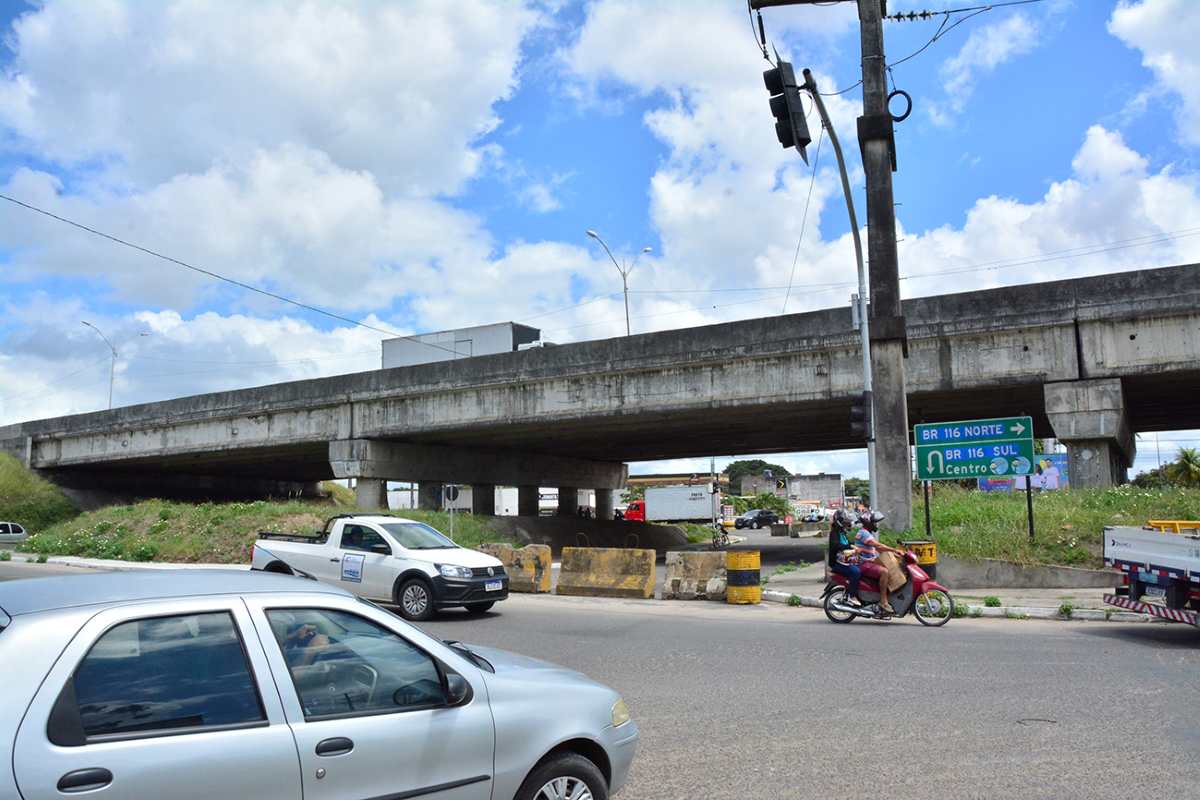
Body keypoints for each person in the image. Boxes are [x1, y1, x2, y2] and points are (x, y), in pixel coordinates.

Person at [854, 511, 905, 615]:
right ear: (868, 523)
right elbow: (879, 546)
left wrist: (894, 554)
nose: (876, 525)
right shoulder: (863, 533)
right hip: (863, 564)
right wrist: (894, 550)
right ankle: (883, 602)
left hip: (871, 561)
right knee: (884, 572)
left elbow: (878, 549)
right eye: (874, 522)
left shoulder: (867, 533)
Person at [827, 509, 862, 607]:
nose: (847, 524)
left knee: (861, 568)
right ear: (839, 521)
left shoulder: (842, 532)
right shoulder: (834, 533)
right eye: (845, 522)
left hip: (844, 561)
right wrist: (850, 547)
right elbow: (836, 546)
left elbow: (846, 544)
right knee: (856, 572)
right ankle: (852, 596)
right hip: (837, 563)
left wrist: (853, 546)